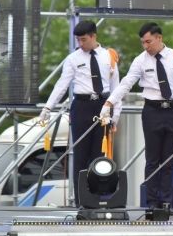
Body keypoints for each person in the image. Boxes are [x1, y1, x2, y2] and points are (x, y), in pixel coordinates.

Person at [100, 22, 173, 209]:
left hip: (172, 110)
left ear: (159, 38)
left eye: (149, 42)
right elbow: (126, 83)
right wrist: (109, 102)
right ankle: (152, 202)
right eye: (143, 43)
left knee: (168, 160)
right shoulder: (140, 60)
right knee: (152, 159)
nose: (146, 46)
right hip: (152, 111)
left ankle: (166, 201)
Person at [38, 20, 122, 206]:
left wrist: (115, 115)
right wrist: (48, 107)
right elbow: (62, 85)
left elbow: (117, 88)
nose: (80, 44)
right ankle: (81, 201)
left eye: (84, 40)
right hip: (82, 106)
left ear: (93, 36)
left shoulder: (109, 56)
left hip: (103, 105)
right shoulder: (73, 58)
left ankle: (98, 198)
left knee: (100, 155)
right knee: (81, 155)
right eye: (78, 40)